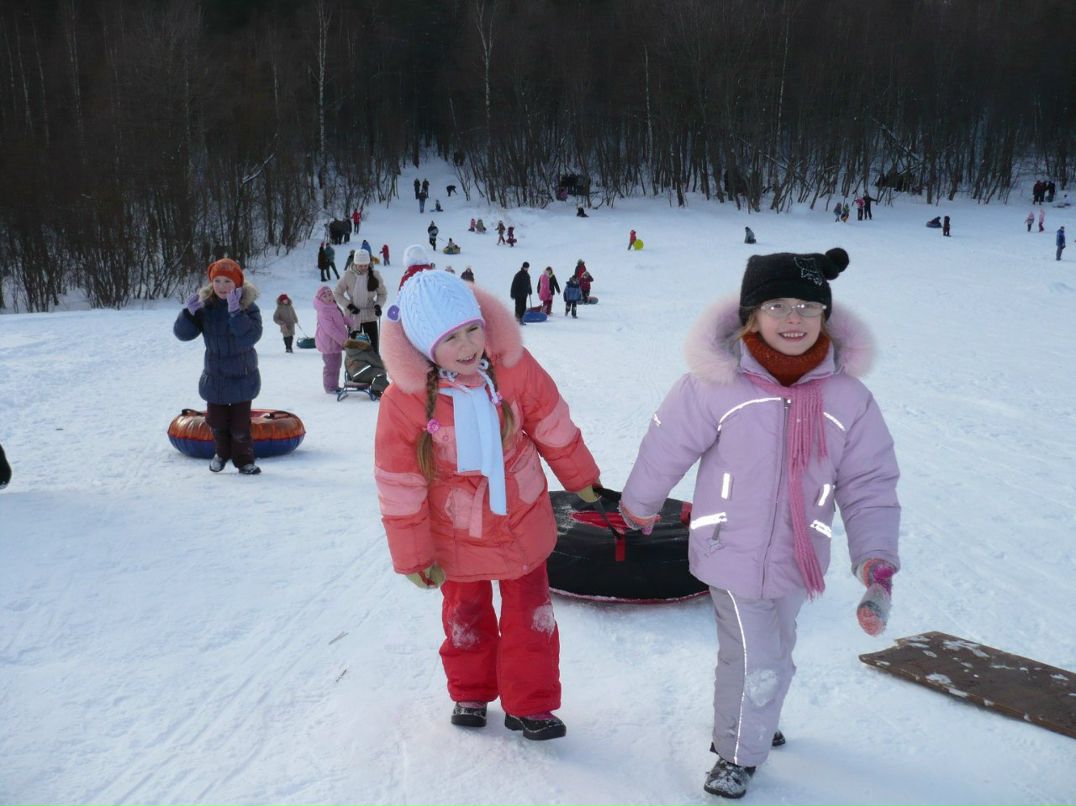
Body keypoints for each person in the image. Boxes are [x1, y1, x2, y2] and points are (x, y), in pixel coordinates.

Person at [617, 247, 900, 799]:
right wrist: (640, 505)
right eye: (776, 306)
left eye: (807, 306)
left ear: (826, 317)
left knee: (777, 646)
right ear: (751, 315)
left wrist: (875, 560)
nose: (792, 319)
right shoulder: (715, 385)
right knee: (755, 656)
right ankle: (738, 754)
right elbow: (666, 445)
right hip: (731, 550)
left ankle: (755, 721)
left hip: (800, 556)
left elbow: (869, 483)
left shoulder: (848, 398)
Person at [374, 268, 601, 741]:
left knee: (532, 613)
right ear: (422, 345)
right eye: (451, 337)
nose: (468, 345)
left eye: (472, 328)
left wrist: (582, 478)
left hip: (521, 512)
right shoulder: (406, 401)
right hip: (456, 527)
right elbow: (400, 482)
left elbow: (551, 422)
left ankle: (531, 704)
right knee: (465, 611)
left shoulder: (513, 367)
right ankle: (470, 690)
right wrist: (413, 556)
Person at [174, 258, 264, 475]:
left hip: (243, 375)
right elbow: (183, 335)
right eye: (218, 281)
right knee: (217, 423)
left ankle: (244, 461)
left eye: (228, 282)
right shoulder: (207, 307)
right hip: (216, 376)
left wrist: (235, 313)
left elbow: (250, 337)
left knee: (241, 426)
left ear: (238, 284)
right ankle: (221, 454)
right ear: (211, 283)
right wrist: (189, 314)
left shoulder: (248, 307)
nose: (222, 286)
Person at [333, 248, 387, 352]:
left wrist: (378, 305)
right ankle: (352, 367)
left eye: (365, 265)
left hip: (370, 316)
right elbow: (337, 293)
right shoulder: (348, 275)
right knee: (353, 350)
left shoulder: (375, 275)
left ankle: (374, 367)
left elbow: (382, 293)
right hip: (353, 317)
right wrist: (349, 305)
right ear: (355, 263)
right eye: (360, 265)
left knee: (373, 349)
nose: (363, 268)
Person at [314, 285, 351, 394]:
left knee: (337, 364)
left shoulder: (333, 306)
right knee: (331, 366)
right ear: (321, 299)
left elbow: (340, 319)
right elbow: (331, 329)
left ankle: (334, 385)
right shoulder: (323, 312)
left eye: (330, 294)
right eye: (325, 296)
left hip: (336, 342)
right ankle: (330, 387)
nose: (329, 297)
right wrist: (343, 340)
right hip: (328, 343)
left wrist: (349, 321)